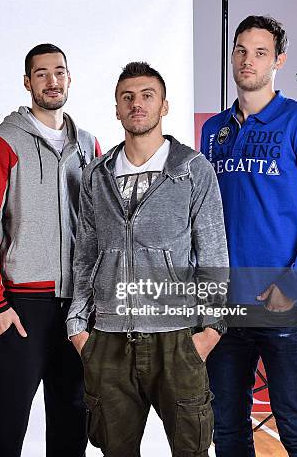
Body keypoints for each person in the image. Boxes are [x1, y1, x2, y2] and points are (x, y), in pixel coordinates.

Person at [66, 61, 229, 457]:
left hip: (177, 339)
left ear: (164, 106)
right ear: (117, 109)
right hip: (108, 337)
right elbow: (86, 253)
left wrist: (211, 330)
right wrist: (77, 326)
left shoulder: (192, 171)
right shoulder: (96, 175)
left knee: (191, 449)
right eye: (127, 98)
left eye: (146, 96)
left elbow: (212, 251)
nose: (137, 104)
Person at [201, 15, 297, 457]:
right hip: (225, 305)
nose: (247, 60)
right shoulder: (213, 130)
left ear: (278, 60)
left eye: (260, 52)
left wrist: (293, 283)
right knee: (226, 429)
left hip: (282, 301)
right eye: (240, 50)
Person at [0, 43, 101, 457]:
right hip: (23, 304)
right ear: (27, 82)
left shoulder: (90, 146)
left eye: (59, 71)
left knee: (73, 414)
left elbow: (101, 229)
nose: (52, 81)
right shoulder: (2, 143)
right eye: (41, 74)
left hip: (78, 305)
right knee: (5, 419)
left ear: (69, 77)